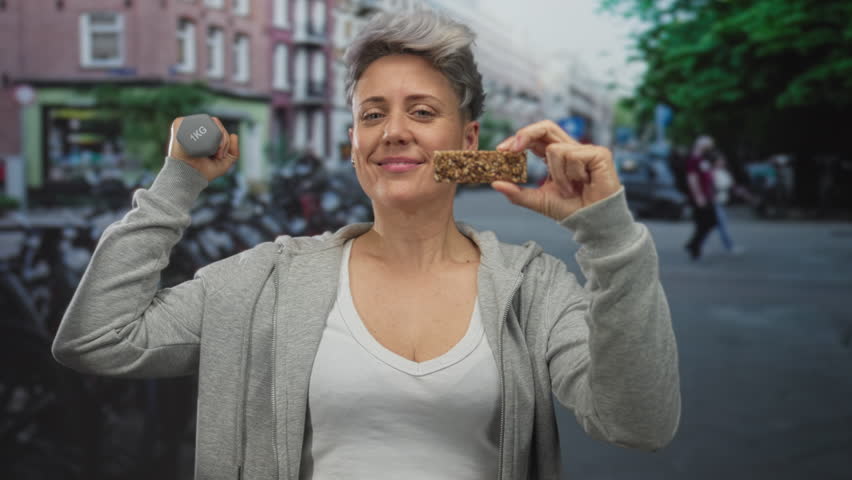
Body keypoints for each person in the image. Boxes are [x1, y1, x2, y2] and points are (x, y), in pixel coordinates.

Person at [51, 10, 680, 479]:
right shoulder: (270, 279)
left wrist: (607, 231)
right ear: (353, 142)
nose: (393, 132)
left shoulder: (531, 288)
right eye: (372, 114)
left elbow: (639, 423)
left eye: (423, 112)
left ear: (469, 143)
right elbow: (98, 339)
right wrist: (176, 183)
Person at [684, 135, 718, 260]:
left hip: (707, 195)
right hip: (700, 197)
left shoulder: (703, 159)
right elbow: (692, 179)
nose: (711, 147)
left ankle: (694, 245)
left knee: (708, 222)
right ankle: (694, 246)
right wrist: (698, 196)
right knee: (706, 222)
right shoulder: (693, 160)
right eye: (709, 145)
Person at [711, 153, 749, 255]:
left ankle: (697, 246)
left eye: (723, 160)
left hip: (721, 202)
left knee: (709, 226)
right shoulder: (712, 173)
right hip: (714, 202)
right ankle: (729, 246)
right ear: (715, 162)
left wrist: (744, 194)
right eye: (720, 160)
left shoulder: (724, 172)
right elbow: (711, 187)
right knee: (722, 225)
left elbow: (732, 186)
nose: (722, 162)